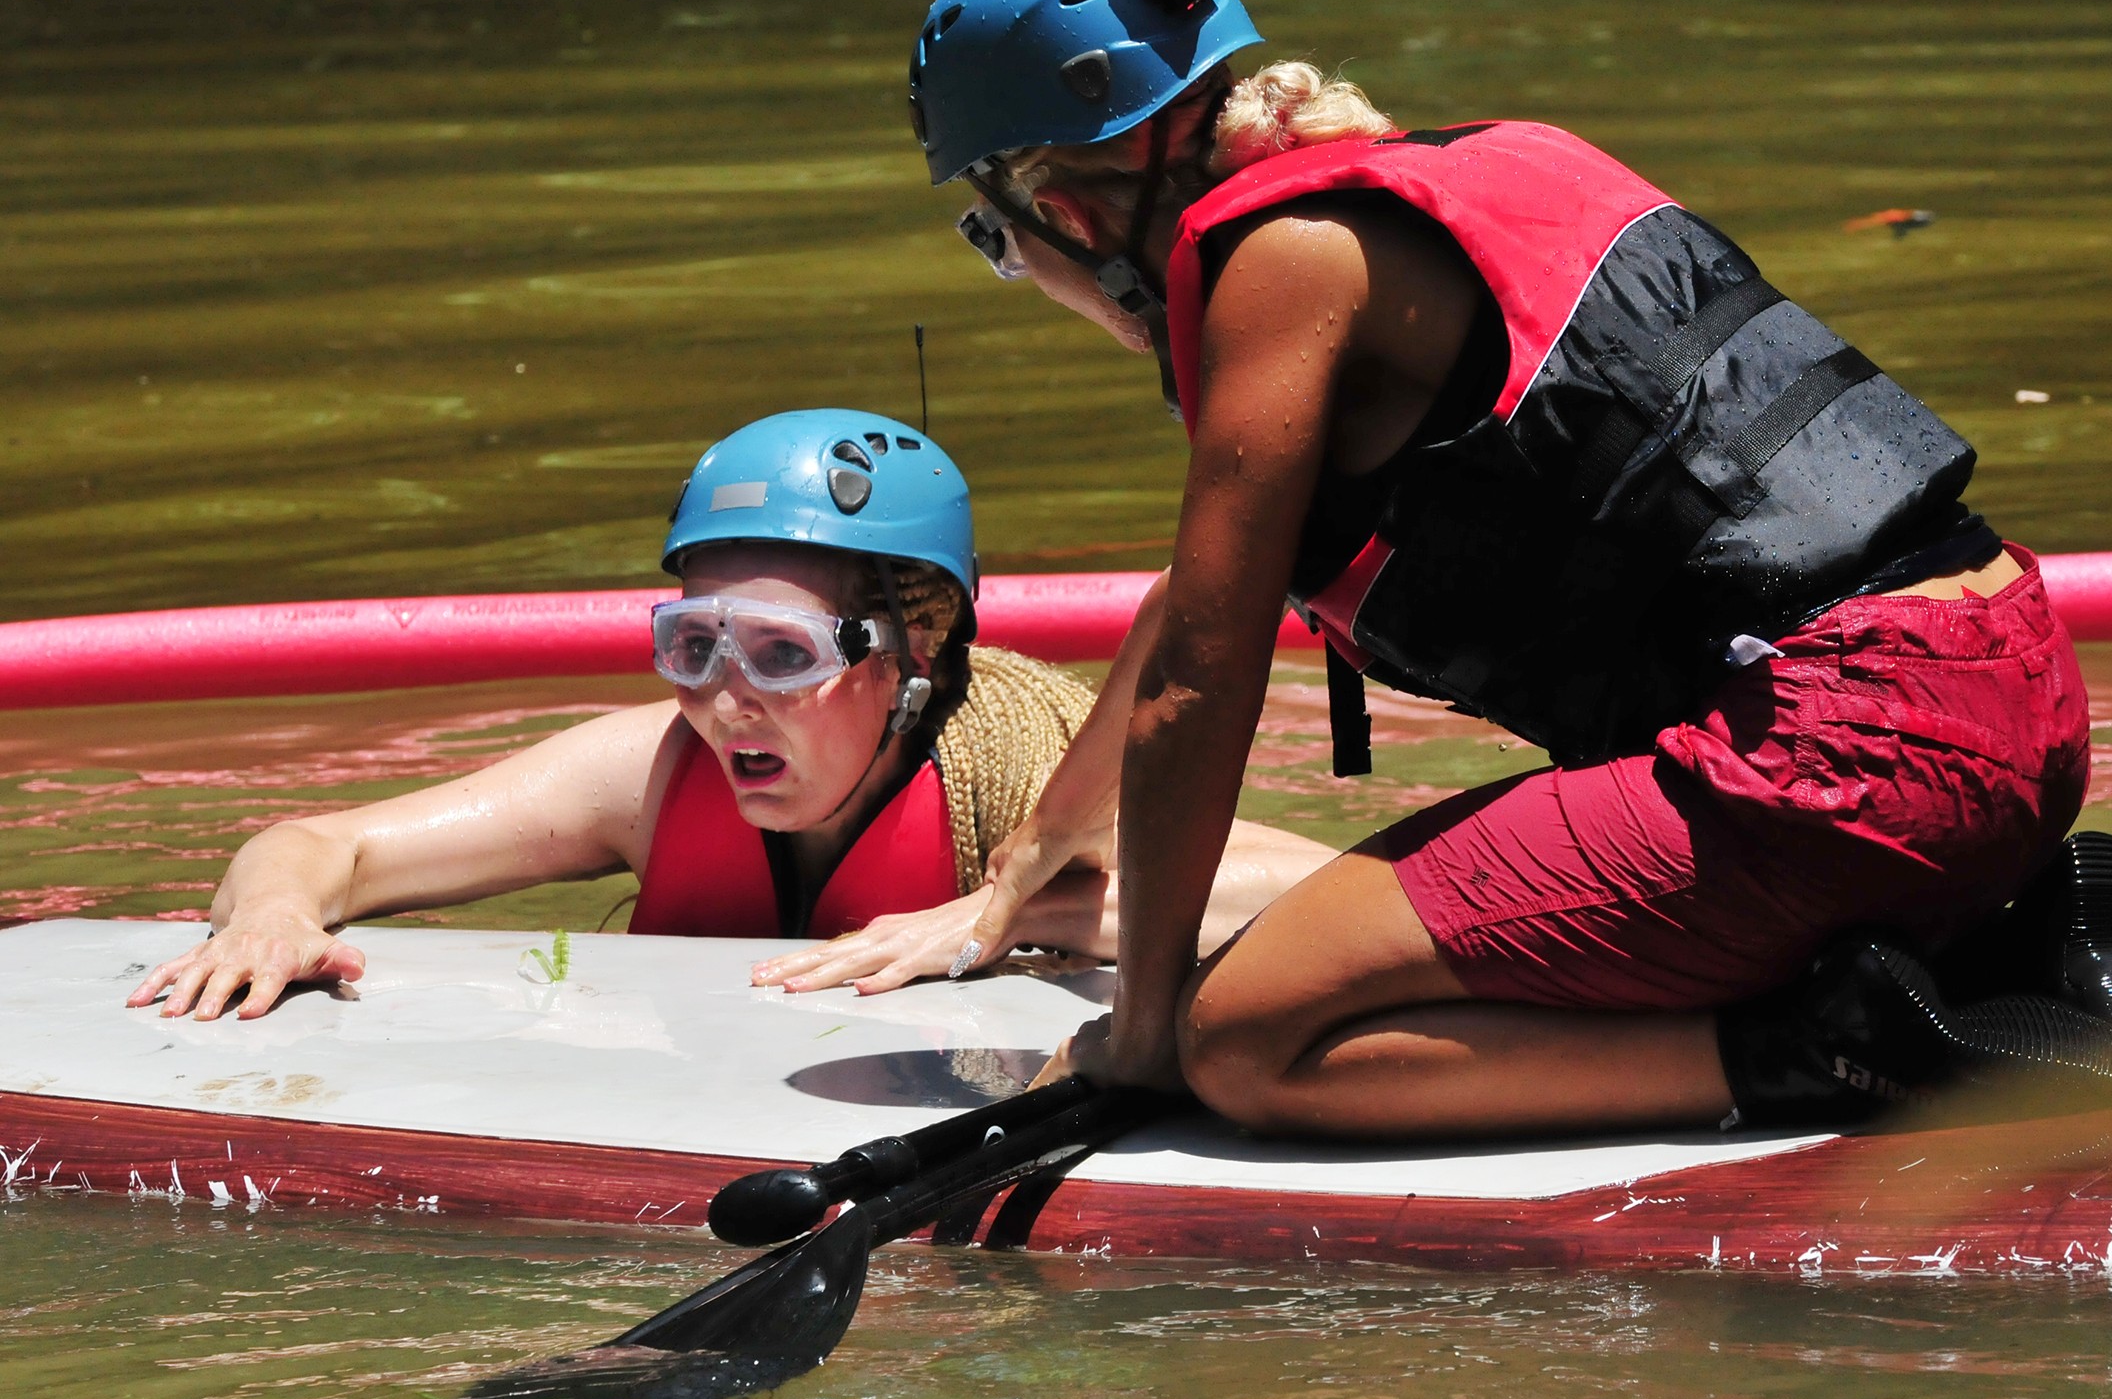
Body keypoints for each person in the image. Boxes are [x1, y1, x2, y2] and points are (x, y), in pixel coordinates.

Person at [902, 0, 2112, 1140]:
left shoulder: (1275, 268)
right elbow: (1190, 611)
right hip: (2012, 693)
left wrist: (1138, 1033)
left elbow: (1203, 674)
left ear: (1064, 208)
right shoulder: (1480, 162)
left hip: (1839, 762)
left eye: (995, 242)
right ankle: (2029, 938)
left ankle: (1827, 1051)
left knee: (1245, 1041)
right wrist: (1034, 852)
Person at [127, 409, 1333, 1022]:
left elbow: (1318, 894)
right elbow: (319, 844)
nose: (722, 698)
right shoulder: (651, 777)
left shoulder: (1021, 773)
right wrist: (275, 920)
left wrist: (1010, 910)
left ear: (907, 659)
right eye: (691, 644)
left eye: (779, 653)